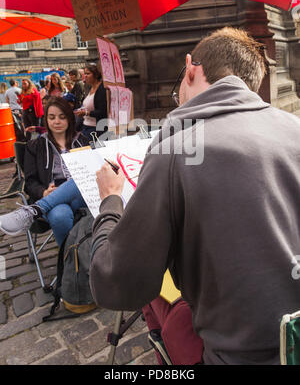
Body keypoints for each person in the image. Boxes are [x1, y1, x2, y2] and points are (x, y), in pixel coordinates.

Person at [87, 27, 300, 365]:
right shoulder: (294, 128)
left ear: (190, 68)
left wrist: (111, 202)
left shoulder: (175, 150)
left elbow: (117, 282)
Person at [0, 97, 89, 246]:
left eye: (62, 117)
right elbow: (30, 182)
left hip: (83, 196)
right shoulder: (35, 146)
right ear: (46, 120)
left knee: (79, 181)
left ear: (69, 118)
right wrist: (43, 192)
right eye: (51, 117)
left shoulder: (83, 141)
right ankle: (69, 263)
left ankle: (34, 210)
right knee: (59, 216)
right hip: (53, 196)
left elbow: (92, 174)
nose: (57, 122)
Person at [74, 63, 107, 140]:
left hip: (95, 130)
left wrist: (86, 113)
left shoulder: (102, 89)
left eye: (88, 73)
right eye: (85, 73)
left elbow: (103, 112)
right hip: (86, 126)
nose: (85, 76)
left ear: (95, 75)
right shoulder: (90, 88)